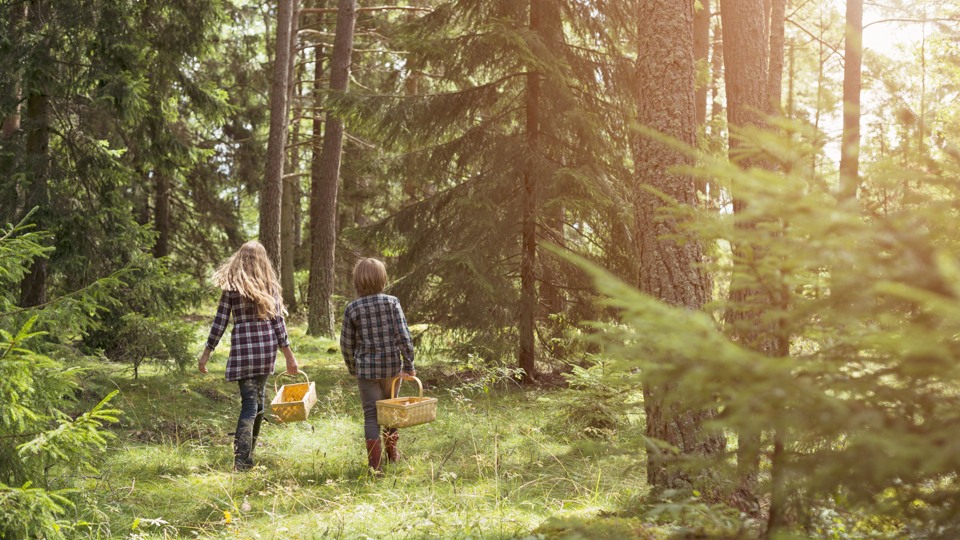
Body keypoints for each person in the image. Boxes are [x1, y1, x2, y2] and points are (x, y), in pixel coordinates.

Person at [198, 241, 299, 471]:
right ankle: (245, 457)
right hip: (265, 350)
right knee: (257, 405)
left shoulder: (232, 288)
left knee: (251, 404)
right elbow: (279, 324)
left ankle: (243, 459)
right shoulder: (268, 286)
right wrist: (289, 355)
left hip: (244, 351)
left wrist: (207, 352)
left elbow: (220, 322)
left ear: (239, 259)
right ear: (263, 261)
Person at [340, 258, 416, 474]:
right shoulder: (392, 302)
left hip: (367, 370)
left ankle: (375, 466)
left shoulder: (352, 308)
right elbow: (403, 336)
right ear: (382, 279)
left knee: (371, 415)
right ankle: (392, 453)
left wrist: (354, 368)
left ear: (357, 281)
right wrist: (409, 364)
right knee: (391, 410)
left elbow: (346, 344)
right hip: (392, 368)